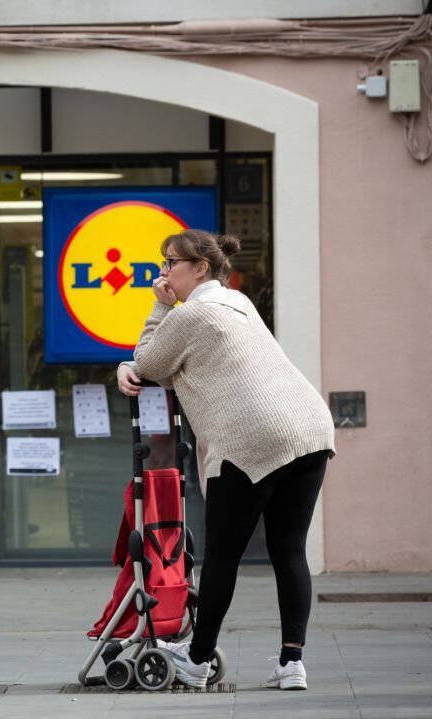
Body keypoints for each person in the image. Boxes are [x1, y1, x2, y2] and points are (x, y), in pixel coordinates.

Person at [116, 229, 334, 691]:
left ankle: (195, 661)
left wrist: (157, 310)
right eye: (162, 263)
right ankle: (291, 662)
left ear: (200, 268)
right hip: (310, 427)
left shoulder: (190, 314)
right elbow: (187, 370)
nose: (163, 272)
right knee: (289, 547)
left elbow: (150, 364)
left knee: (222, 555)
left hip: (251, 436)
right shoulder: (239, 303)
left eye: (171, 262)